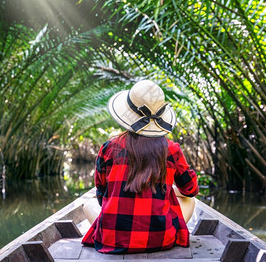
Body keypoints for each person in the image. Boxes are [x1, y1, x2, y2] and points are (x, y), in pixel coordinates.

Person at [81, 79, 199, 254]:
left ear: (128, 114)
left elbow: (101, 194)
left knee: (87, 204)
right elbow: (191, 190)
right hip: (161, 240)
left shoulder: (109, 147)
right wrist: (169, 190)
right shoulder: (171, 149)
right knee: (190, 201)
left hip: (113, 241)